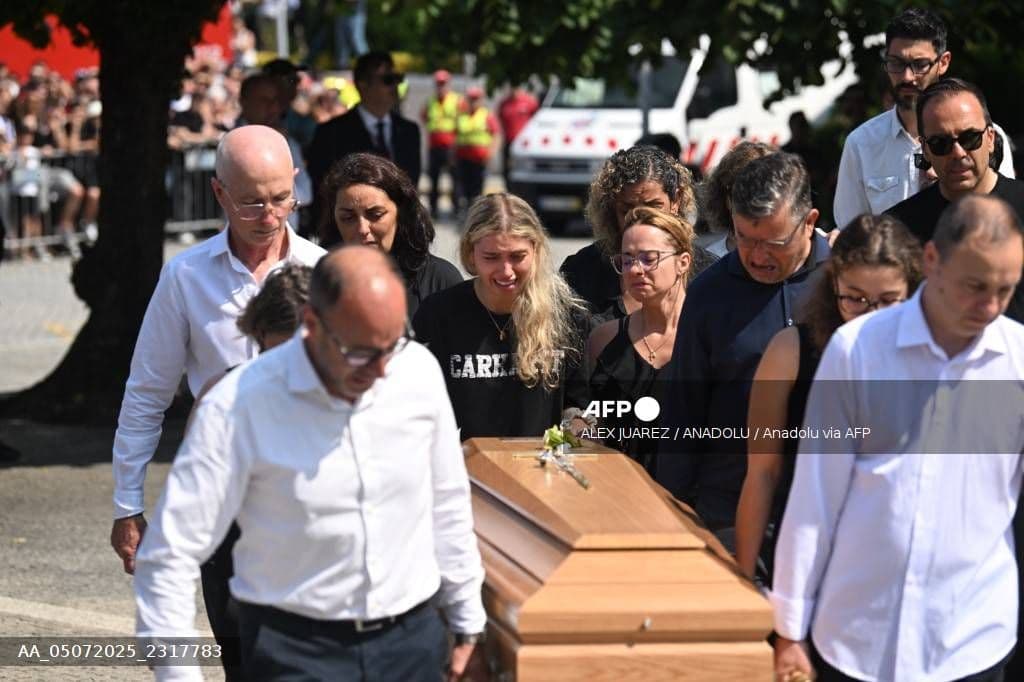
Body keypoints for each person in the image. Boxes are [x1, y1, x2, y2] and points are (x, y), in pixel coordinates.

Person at [135, 246, 487, 682]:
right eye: (360, 352)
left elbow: (447, 502)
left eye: (390, 345)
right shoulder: (237, 405)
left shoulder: (416, 372)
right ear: (313, 327)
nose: (380, 371)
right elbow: (169, 554)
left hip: (412, 643)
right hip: (295, 652)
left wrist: (469, 624)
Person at [772, 194, 1024, 682]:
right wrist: (788, 630)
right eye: (975, 286)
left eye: (1005, 290)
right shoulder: (857, 350)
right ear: (931, 260)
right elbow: (814, 499)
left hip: (972, 641)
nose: (989, 306)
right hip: (855, 636)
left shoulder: (1019, 364)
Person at [110, 125, 325, 577]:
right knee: (234, 640)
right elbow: (148, 393)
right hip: (219, 493)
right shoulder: (186, 276)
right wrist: (127, 504)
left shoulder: (323, 272)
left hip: (312, 493)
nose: (270, 216)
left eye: (283, 198)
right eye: (251, 202)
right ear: (219, 193)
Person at [735, 214, 923, 586]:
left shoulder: (930, 359)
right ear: (833, 284)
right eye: (854, 299)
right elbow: (762, 473)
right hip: (807, 556)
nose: (870, 316)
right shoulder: (789, 351)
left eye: (888, 302)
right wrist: (741, 584)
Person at [659, 152, 830, 545]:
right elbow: (683, 416)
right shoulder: (708, 295)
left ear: (810, 223)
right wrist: (676, 515)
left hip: (826, 512)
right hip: (728, 512)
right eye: (744, 239)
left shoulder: (847, 288)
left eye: (773, 242)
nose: (756, 256)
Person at [192, 262, 313, 682]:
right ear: (259, 338)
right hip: (238, 573)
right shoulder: (222, 397)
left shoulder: (356, 400)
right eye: (276, 354)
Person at [413, 193, 589, 440]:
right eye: (491, 257)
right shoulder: (438, 314)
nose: (506, 271)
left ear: (536, 250)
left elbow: (579, 404)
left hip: (542, 470)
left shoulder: (568, 315)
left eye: (517, 256)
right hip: (466, 472)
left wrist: (578, 428)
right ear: (470, 253)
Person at [833, 8, 1014, 228]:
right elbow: (852, 234)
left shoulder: (983, 136)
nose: (907, 77)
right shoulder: (861, 144)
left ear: (944, 62)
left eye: (919, 65)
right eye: (896, 63)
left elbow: (1007, 211)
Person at [886, 78, 1024, 323]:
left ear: (990, 138)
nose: (958, 153)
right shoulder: (899, 229)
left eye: (970, 138)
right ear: (925, 149)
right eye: (941, 144)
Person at [587, 206, 693, 475]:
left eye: (649, 258)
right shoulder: (603, 339)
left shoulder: (708, 340)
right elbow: (584, 415)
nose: (635, 269)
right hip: (616, 493)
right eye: (627, 259)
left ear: (683, 262)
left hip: (689, 501)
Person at [561, 145, 716, 319]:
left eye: (653, 207)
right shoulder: (581, 272)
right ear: (611, 208)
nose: (639, 218)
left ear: (676, 200)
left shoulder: (710, 275)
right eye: (627, 210)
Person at [319, 152, 462, 315]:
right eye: (347, 218)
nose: (362, 229)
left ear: (401, 213)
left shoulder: (440, 282)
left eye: (375, 215)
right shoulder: (317, 281)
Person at [307, 51, 421, 213]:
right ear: (363, 84)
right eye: (387, 80)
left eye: (398, 79)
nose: (395, 86)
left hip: (399, 232)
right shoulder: (332, 133)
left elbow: (411, 189)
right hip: (350, 232)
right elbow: (323, 191)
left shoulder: (409, 131)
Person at [236, 73, 312, 228]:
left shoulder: (288, 142)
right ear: (244, 102)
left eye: (276, 101)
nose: (273, 107)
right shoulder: (232, 145)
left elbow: (305, 193)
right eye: (264, 100)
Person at [697, 141, 776, 257]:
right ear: (728, 200)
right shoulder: (710, 262)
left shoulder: (804, 248)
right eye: (746, 192)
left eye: (768, 192)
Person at [422, 69, 463, 218]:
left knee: (455, 180)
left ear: (449, 84)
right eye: (438, 84)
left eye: (443, 83)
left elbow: (463, 122)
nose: (441, 87)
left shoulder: (457, 100)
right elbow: (424, 116)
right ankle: (433, 211)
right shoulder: (431, 101)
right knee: (433, 180)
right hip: (434, 147)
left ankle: (456, 210)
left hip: (451, 147)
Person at [455, 86, 499, 210]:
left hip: (479, 160)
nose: (473, 102)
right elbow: (456, 137)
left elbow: (496, 135)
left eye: (476, 99)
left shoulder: (487, 115)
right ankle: (465, 213)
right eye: (471, 99)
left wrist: (491, 153)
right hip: (463, 159)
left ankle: (476, 212)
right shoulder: (461, 116)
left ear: (481, 100)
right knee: (463, 188)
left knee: (477, 189)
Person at [497, 84, 539, 185]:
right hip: (509, 141)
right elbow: (501, 121)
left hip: (524, 143)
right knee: (507, 169)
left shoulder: (529, 102)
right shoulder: (504, 103)